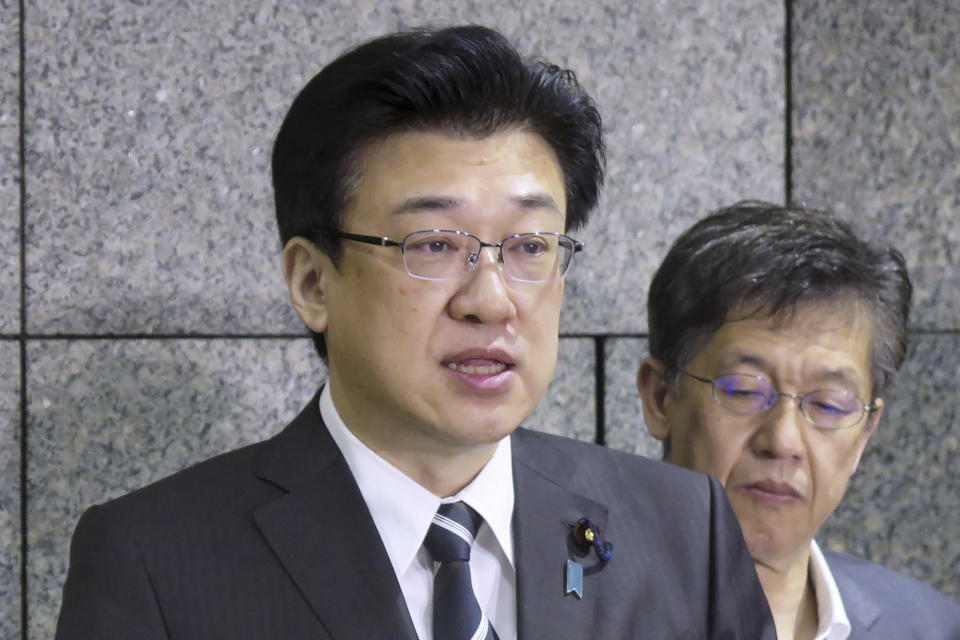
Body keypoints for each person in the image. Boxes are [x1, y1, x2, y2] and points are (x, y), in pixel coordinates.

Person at [56, 26, 774, 639]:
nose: (491, 301)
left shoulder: (684, 528)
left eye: (529, 247)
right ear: (312, 283)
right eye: (432, 245)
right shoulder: (157, 561)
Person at [637, 201, 960, 640]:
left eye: (828, 405)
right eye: (745, 390)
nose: (783, 439)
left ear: (865, 434)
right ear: (660, 398)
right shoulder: (566, 614)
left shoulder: (929, 628)